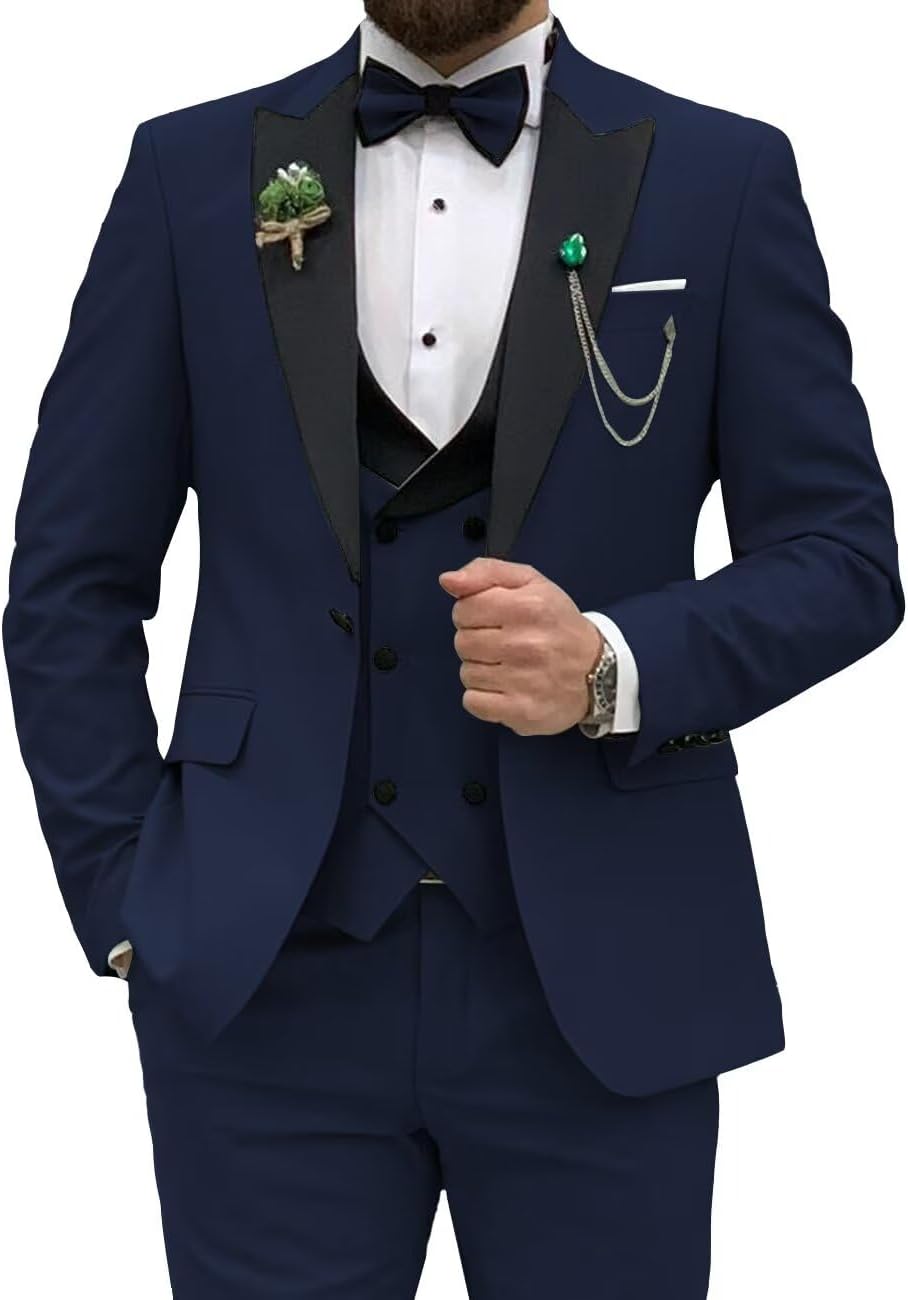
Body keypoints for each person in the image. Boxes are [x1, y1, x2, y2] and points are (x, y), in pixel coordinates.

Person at [4, 2, 902, 1296]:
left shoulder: (722, 175)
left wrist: (613, 665)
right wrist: (126, 896)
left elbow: (842, 555)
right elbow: (70, 578)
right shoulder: (185, 172)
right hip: (260, 982)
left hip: (606, 976)